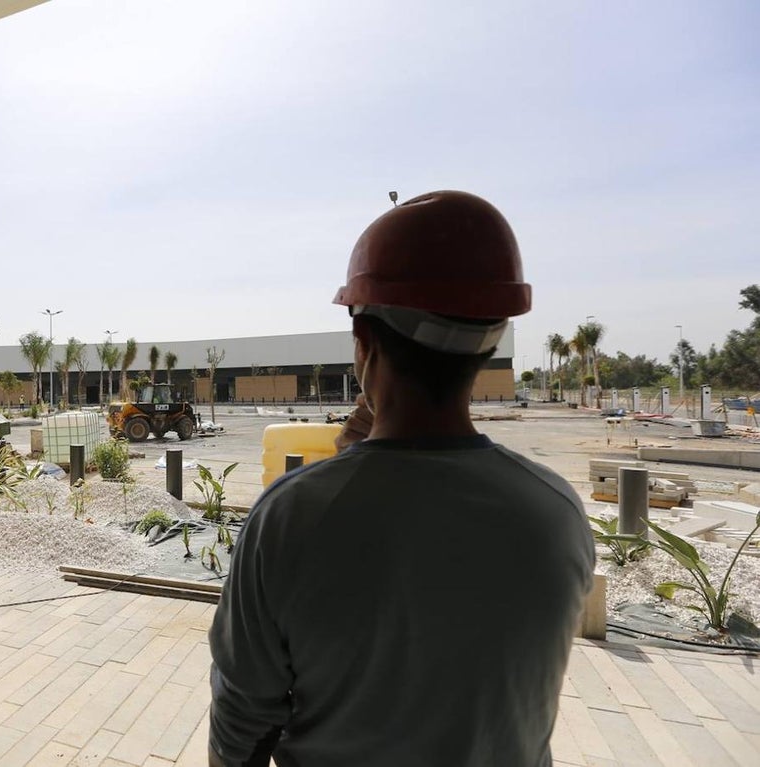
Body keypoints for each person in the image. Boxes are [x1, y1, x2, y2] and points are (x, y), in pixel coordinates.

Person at [208, 191, 596, 766]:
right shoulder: (555, 513)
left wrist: (353, 464)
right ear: (490, 342)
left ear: (364, 344)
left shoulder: (290, 518)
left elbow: (243, 724)